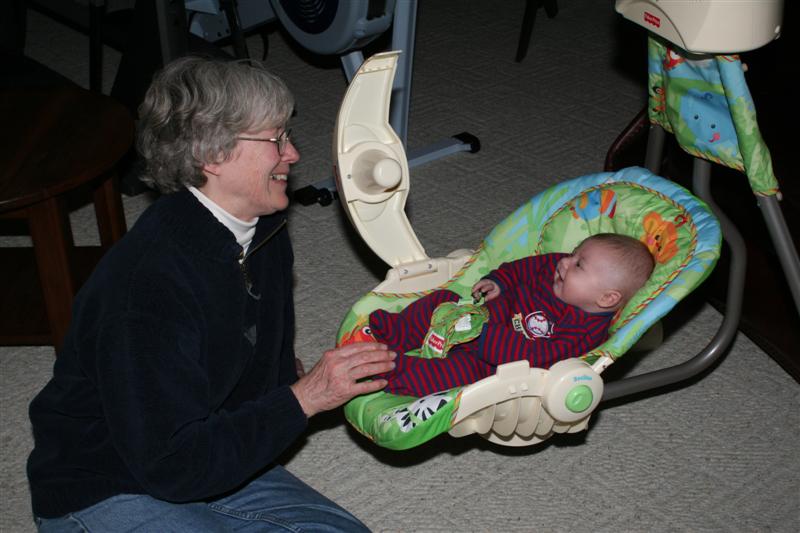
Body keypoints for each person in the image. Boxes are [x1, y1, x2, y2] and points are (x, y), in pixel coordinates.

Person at [26, 56, 396, 532]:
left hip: (206, 445)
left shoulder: (263, 228)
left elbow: (258, 362)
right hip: (105, 483)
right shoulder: (147, 293)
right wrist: (304, 398)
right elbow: (171, 465)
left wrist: (304, 384)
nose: (293, 154)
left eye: (287, 134)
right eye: (275, 139)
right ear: (212, 156)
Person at [367, 233, 654, 397]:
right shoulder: (554, 265)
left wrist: (482, 339)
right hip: (480, 315)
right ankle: (398, 331)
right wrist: (499, 282)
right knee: (443, 302)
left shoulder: (584, 332)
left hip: (493, 362)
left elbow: (539, 358)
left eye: (579, 264)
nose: (565, 261)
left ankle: (395, 371)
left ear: (606, 298)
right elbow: (518, 269)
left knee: (458, 375)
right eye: (573, 253)